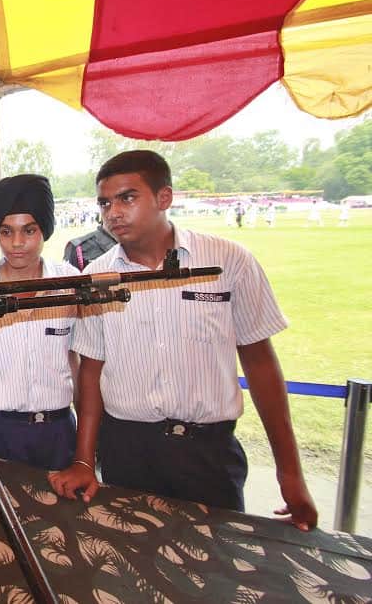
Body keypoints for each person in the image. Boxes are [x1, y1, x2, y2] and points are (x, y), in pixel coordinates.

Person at [48, 150, 317, 532]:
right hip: (127, 450)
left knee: (215, 571)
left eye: (127, 197)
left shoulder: (228, 260)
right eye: (105, 203)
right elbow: (91, 371)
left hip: (208, 451)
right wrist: (84, 461)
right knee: (130, 567)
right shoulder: (97, 277)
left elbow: (260, 364)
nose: (113, 212)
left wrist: (290, 472)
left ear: (164, 198)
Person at [0, 175, 80, 471]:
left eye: (29, 230)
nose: (17, 243)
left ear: (45, 230)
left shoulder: (69, 283)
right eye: (6, 232)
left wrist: (85, 447)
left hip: (57, 430)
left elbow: (78, 362)